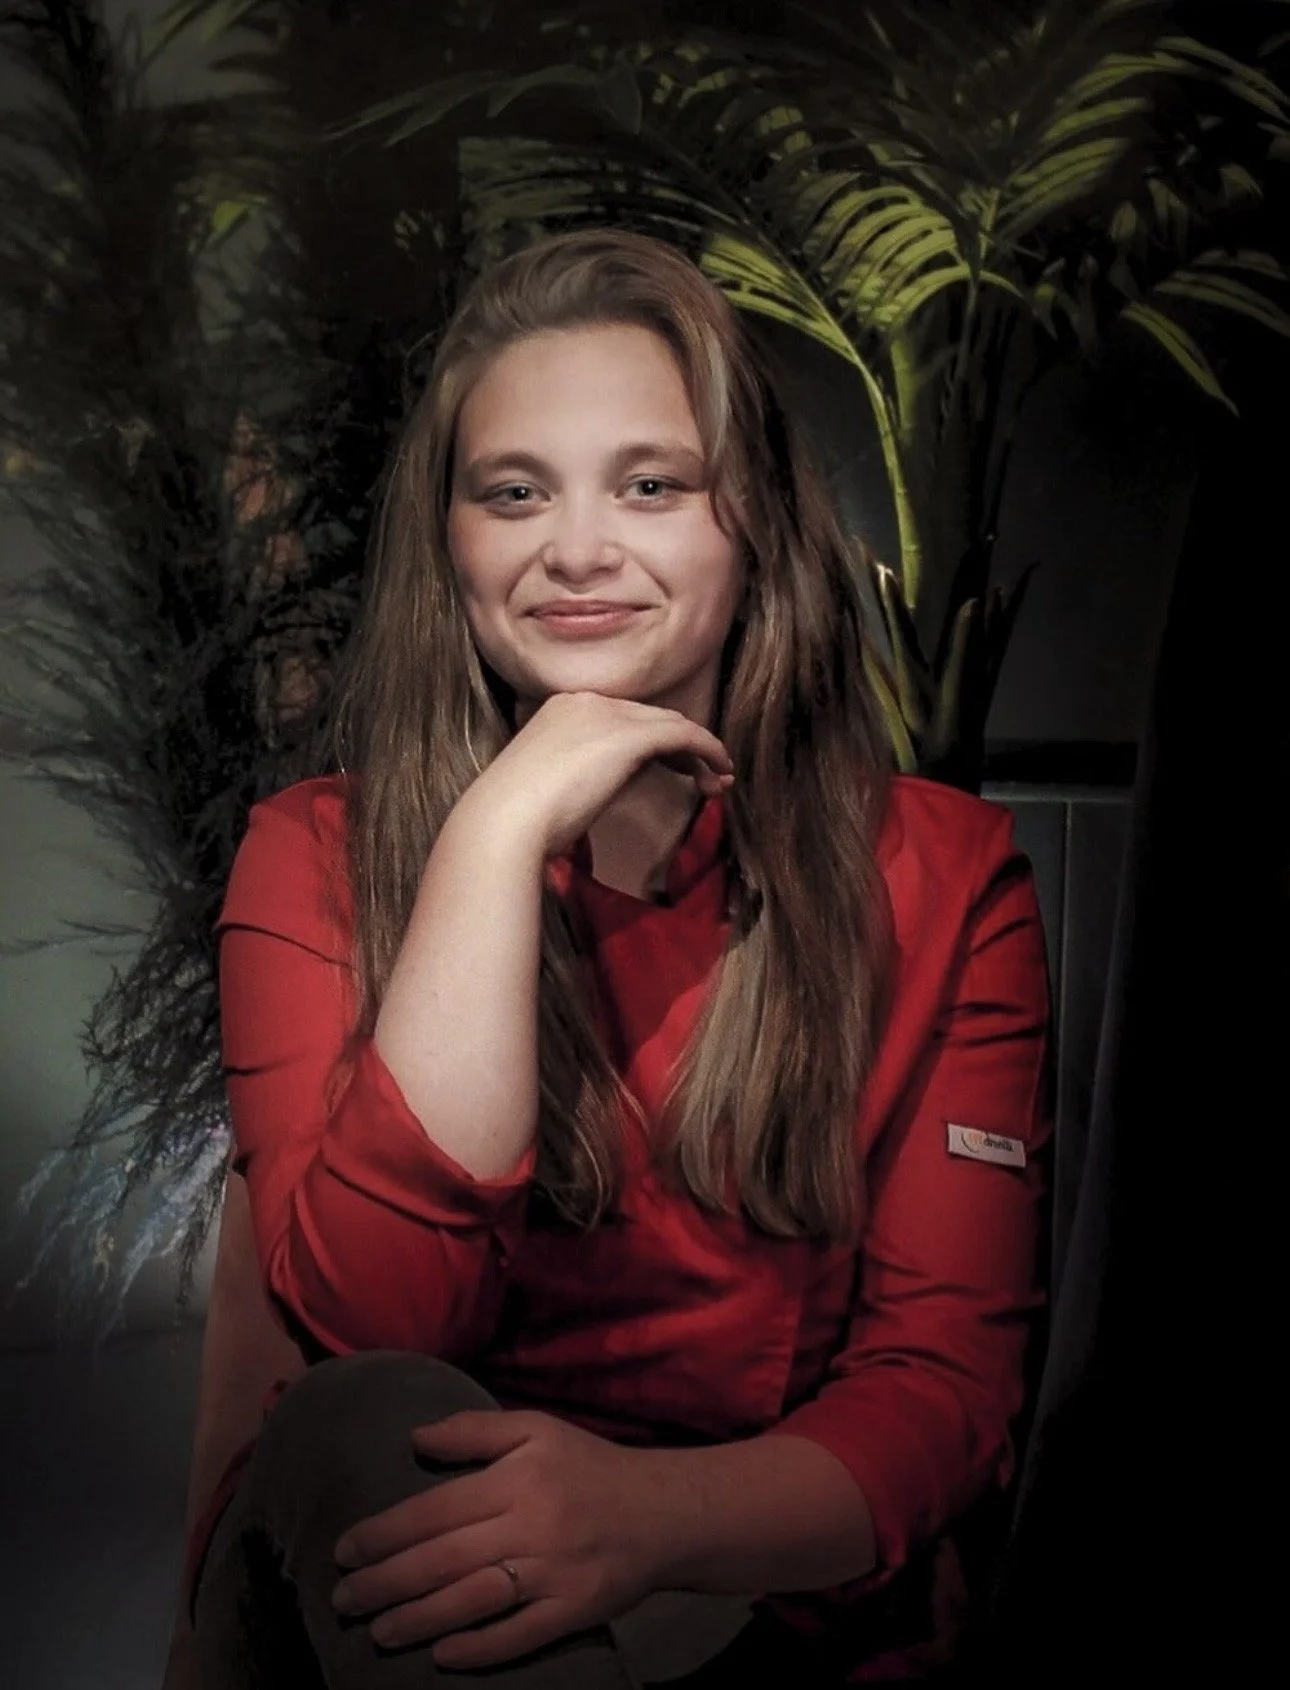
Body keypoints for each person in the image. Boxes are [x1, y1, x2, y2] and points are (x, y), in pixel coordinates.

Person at [187, 227, 1052, 1688]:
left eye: (649, 484)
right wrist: (494, 834)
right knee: (377, 1422)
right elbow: (377, 1325)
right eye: (512, 491)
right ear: (450, 540)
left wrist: (637, 1515)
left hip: (758, 1587)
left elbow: (943, 1396)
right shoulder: (314, 854)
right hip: (384, 1574)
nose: (575, 548)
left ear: (753, 521)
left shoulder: (942, 872)